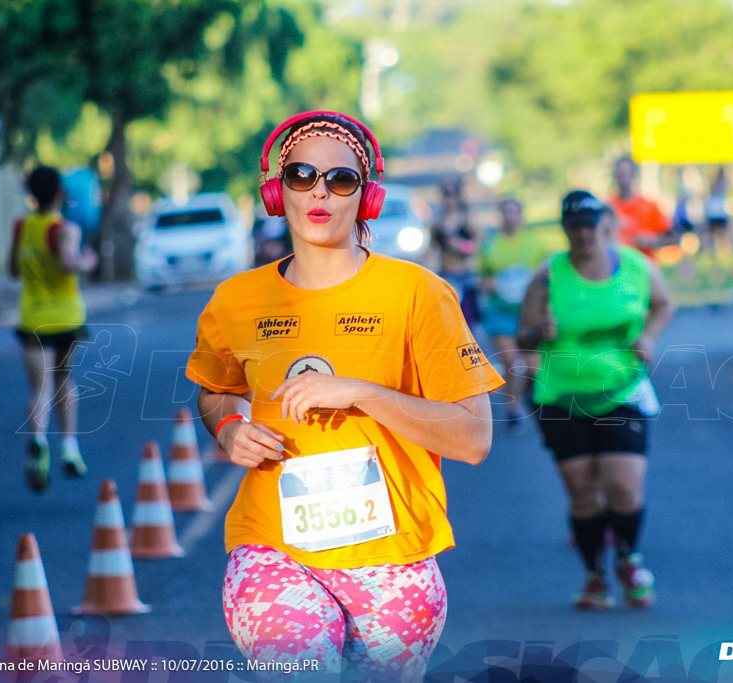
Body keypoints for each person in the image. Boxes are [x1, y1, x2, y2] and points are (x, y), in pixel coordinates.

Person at [185, 111, 504, 680]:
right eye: (302, 175)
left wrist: (360, 392)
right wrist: (228, 429)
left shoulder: (418, 294)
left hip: (394, 562)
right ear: (276, 192)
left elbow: (474, 439)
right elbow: (214, 393)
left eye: (341, 180)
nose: (320, 192)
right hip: (273, 548)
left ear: (368, 195)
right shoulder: (235, 301)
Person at [518, 191, 674, 610]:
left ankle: (627, 556)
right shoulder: (548, 275)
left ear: (604, 224)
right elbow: (522, 334)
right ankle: (595, 576)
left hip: (621, 390)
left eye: (590, 224)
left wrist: (649, 336)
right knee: (583, 491)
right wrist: (538, 334)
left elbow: (664, 305)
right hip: (562, 396)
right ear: (565, 230)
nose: (584, 233)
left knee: (623, 484)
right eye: (575, 226)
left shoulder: (637, 267)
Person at [8, 165, 97, 493]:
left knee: (38, 388)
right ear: (60, 193)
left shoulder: (21, 227)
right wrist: (88, 261)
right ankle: (70, 447)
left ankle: (38, 440)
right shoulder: (65, 229)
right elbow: (68, 263)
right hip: (66, 318)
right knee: (63, 379)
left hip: (32, 319)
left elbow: (12, 270)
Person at [478, 198, 551, 423]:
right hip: (500, 313)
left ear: (521, 215)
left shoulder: (535, 244)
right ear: (501, 215)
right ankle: (514, 412)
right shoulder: (490, 245)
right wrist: (494, 284)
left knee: (532, 366)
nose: (510, 216)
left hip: (528, 313)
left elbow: (548, 276)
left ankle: (528, 394)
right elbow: (480, 279)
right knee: (510, 362)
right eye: (506, 212)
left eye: (514, 212)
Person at [431, 179, 480, 325]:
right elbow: (431, 248)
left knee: (466, 321)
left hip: (463, 275)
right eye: (446, 195)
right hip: (445, 274)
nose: (449, 200)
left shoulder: (466, 221)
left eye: (452, 195)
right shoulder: (437, 222)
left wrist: (460, 246)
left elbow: (476, 245)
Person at [608, 155, 672, 259]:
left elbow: (670, 238)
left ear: (633, 175)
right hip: (618, 269)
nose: (622, 179)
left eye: (625, 174)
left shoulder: (650, 206)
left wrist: (652, 241)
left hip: (645, 267)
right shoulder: (608, 208)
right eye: (619, 174)